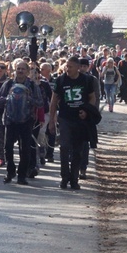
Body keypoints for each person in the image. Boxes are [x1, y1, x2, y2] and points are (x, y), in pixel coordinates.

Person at [48, 56, 96, 190]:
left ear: (78, 67)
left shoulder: (86, 80)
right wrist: (52, 120)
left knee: (78, 150)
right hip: (65, 118)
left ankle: (74, 179)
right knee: (64, 147)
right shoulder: (60, 80)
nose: (67, 69)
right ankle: (64, 177)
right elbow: (53, 101)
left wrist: (87, 111)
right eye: (66, 66)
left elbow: (92, 97)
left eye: (70, 67)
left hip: (80, 120)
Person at [0, 59, 43, 185]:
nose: (20, 71)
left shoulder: (32, 85)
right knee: (8, 148)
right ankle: (10, 172)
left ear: (27, 71)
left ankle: (22, 175)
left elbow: (40, 102)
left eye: (23, 69)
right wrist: (9, 97)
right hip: (10, 120)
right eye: (18, 69)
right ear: (14, 70)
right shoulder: (8, 84)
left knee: (25, 149)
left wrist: (28, 97)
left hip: (26, 120)